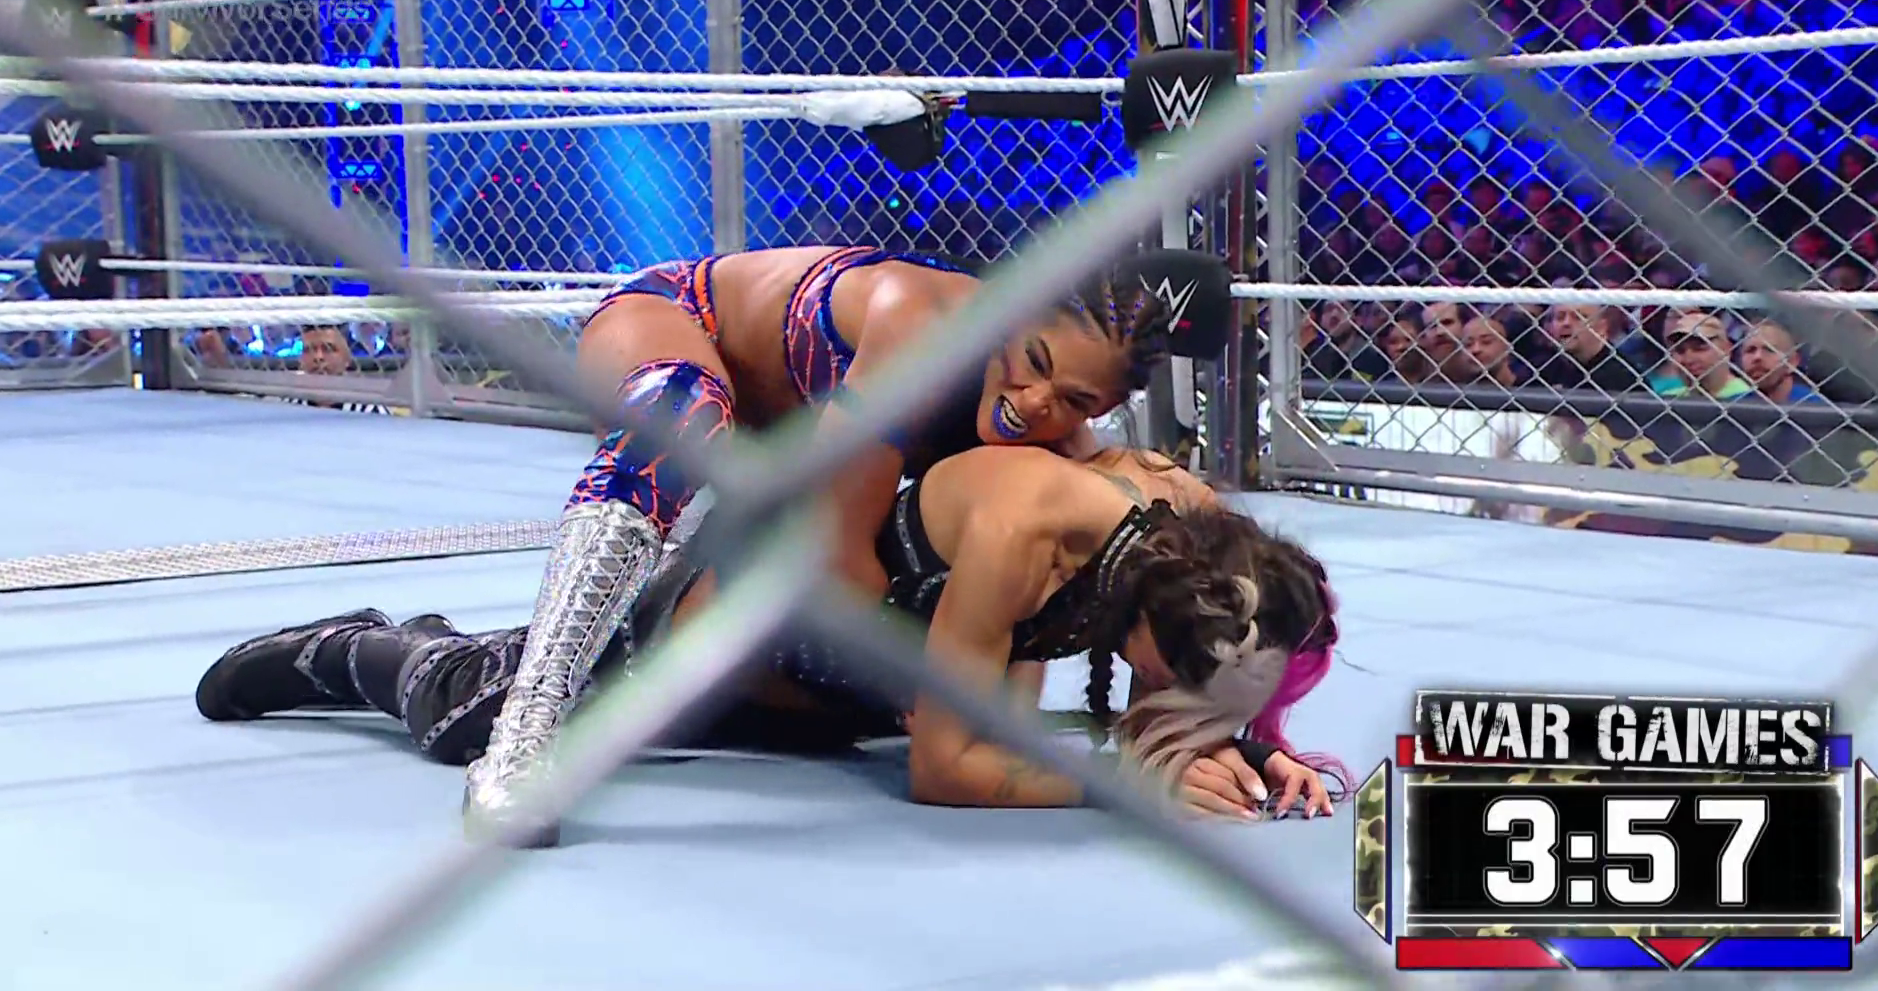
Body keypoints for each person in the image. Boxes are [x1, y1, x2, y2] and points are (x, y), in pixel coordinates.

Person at [453, 243, 1229, 831]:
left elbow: (1042, 601)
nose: (1033, 402)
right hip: (676, 323)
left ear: (1104, 408)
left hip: (788, 463)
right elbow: (838, 550)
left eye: (1074, 399)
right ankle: (523, 736)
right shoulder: (924, 326)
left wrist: (1204, 740)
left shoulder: (1067, 447)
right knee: (679, 419)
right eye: (1033, 362)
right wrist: (933, 700)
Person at [196, 443, 1347, 834]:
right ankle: (355, 643)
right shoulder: (1027, 525)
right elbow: (947, 770)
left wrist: (1256, 747)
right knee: (470, 714)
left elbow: (1231, 649)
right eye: (1177, 686)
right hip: (726, 624)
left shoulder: (1197, 546)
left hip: (834, 697)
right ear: (1150, 624)